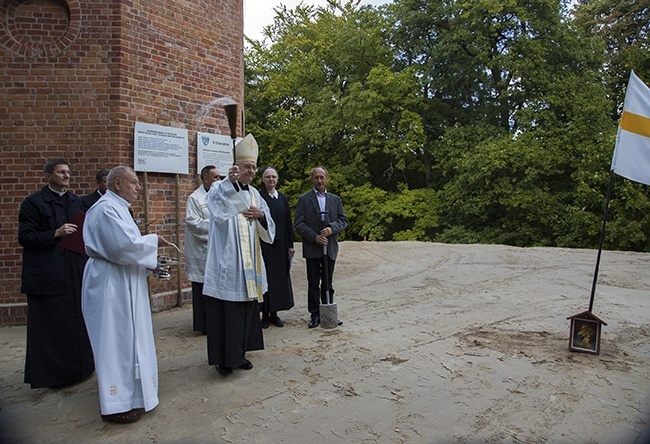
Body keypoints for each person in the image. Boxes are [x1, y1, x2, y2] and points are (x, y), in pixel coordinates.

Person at [82, 166, 171, 423]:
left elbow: (127, 245)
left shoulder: (119, 207)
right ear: (117, 183)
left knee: (131, 339)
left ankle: (133, 396)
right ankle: (114, 404)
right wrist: (152, 241)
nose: (139, 187)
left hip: (124, 280)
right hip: (110, 283)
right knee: (115, 341)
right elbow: (122, 247)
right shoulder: (104, 209)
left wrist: (148, 248)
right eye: (134, 183)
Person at [18, 158, 95, 388]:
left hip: (74, 271)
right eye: (61, 172)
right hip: (48, 274)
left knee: (77, 322)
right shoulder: (34, 203)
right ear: (48, 176)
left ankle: (82, 368)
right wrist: (56, 232)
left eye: (68, 172)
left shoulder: (76, 202)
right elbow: (25, 237)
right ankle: (55, 376)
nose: (66, 176)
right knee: (54, 326)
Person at [203, 134, 275, 375]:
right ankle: (224, 359)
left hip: (250, 263)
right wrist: (228, 183)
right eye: (247, 167)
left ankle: (241, 353)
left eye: (254, 167)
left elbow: (269, 229)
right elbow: (216, 208)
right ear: (236, 167)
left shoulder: (255, 194)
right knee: (227, 313)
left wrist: (261, 216)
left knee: (246, 311)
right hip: (228, 262)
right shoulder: (219, 188)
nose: (252, 171)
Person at [294, 166, 348, 328]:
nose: (319, 180)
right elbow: (298, 223)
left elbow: (343, 220)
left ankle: (329, 313)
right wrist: (314, 237)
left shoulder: (335, 200)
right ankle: (315, 315)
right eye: (316, 177)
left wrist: (332, 229)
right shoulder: (304, 199)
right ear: (312, 179)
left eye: (322, 177)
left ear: (326, 178)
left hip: (329, 248)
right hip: (313, 249)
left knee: (327, 282)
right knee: (313, 283)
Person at [185, 165, 221, 334]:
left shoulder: (221, 197)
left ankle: (216, 321)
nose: (218, 180)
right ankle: (203, 324)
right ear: (205, 179)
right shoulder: (195, 198)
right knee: (201, 289)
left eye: (219, 177)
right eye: (215, 177)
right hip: (202, 250)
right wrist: (216, 227)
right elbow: (193, 223)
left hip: (218, 250)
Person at [258, 166, 295, 328]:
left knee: (279, 279)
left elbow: (288, 223)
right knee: (266, 278)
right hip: (265, 244)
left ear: (277, 179)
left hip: (281, 245)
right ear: (263, 180)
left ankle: (275, 313)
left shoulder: (283, 198)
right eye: (267, 177)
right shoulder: (258, 197)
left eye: (273, 177)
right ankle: (265, 314)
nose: (271, 180)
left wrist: (291, 246)